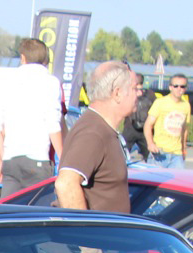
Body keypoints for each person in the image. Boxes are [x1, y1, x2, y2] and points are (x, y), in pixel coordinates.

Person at [55, 60, 142, 212]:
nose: (140, 93)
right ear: (117, 93)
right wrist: (85, 230)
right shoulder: (93, 132)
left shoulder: (101, 128)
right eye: (135, 88)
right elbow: (66, 184)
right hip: (95, 235)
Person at [0, 38, 63, 199]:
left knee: (10, 215)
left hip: (11, 160)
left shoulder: (7, 82)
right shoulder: (51, 83)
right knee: (35, 216)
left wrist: (1, 159)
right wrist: (63, 159)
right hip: (38, 160)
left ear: (23, 58)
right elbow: (53, 125)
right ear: (45, 59)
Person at [145, 73, 191, 167]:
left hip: (177, 155)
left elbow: (184, 129)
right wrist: (150, 143)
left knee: (177, 182)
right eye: (176, 86)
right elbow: (148, 125)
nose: (179, 89)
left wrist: (183, 149)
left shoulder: (186, 105)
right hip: (160, 152)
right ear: (170, 87)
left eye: (182, 86)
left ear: (185, 88)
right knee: (155, 181)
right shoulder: (160, 103)